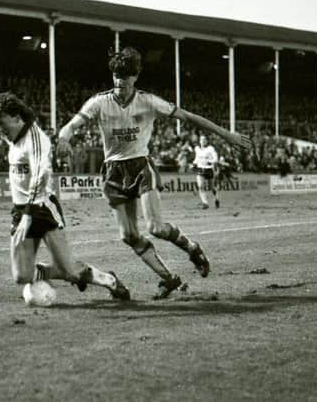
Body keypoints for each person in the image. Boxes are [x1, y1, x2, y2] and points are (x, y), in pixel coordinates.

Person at [57, 47, 252, 299]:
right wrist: (64, 138)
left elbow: (189, 117)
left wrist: (226, 134)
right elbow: (71, 125)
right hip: (113, 171)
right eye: (116, 74)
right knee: (128, 236)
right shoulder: (99, 102)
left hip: (140, 166)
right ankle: (170, 279)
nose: (119, 80)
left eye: (125, 76)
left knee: (156, 227)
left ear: (135, 76)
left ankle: (192, 249)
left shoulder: (148, 101)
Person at [0, 92, 130, 303]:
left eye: (1, 121)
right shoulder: (12, 134)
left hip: (42, 209)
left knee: (70, 271)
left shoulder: (36, 139)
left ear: (16, 118)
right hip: (21, 210)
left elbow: (41, 177)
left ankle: (108, 280)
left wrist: (29, 214)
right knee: (21, 276)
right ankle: (52, 274)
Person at [192, 134, 219, 209]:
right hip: (200, 169)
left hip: (209, 169)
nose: (203, 141)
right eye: (201, 140)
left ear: (207, 141)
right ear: (199, 141)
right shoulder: (197, 149)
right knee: (200, 186)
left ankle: (216, 199)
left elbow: (216, 159)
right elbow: (197, 159)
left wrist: (210, 161)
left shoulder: (210, 148)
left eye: (204, 140)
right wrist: (193, 163)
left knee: (212, 187)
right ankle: (205, 203)